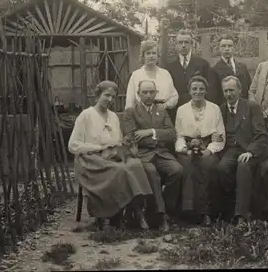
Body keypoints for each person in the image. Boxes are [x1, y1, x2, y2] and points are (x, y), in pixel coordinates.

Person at [68, 81, 152, 229]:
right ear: (97, 95)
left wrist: (123, 144)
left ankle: (131, 211)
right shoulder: (86, 115)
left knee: (135, 165)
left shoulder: (113, 116)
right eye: (106, 95)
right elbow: (73, 145)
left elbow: (117, 140)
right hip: (89, 160)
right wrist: (99, 147)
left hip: (110, 156)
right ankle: (112, 215)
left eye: (113, 97)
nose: (110, 100)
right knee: (119, 171)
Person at [122, 80, 184, 232]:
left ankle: (165, 209)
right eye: (145, 92)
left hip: (161, 153)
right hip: (141, 154)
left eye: (151, 92)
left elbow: (171, 134)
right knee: (151, 172)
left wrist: (150, 132)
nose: (148, 95)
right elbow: (132, 136)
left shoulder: (161, 111)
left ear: (156, 93)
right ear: (138, 94)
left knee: (177, 170)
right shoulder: (131, 112)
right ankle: (161, 216)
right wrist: (157, 135)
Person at [213, 76, 268, 226]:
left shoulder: (251, 106)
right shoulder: (221, 109)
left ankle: (241, 216)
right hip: (231, 150)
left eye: (231, 90)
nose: (229, 94)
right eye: (225, 91)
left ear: (240, 90)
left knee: (243, 167)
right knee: (222, 168)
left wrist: (250, 152)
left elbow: (261, 134)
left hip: (251, 149)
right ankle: (233, 205)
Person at [174, 75, 225, 226]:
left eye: (201, 89)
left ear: (206, 91)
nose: (198, 92)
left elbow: (220, 135)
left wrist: (209, 150)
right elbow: (179, 135)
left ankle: (205, 213)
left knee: (206, 166)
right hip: (188, 148)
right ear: (189, 91)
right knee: (188, 167)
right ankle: (188, 212)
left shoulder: (215, 109)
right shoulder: (181, 110)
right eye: (194, 89)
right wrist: (184, 150)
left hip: (208, 147)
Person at [166, 29, 217, 122]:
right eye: (180, 42)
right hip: (177, 112)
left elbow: (211, 88)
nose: (183, 45)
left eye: (186, 42)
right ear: (176, 45)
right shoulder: (169, 67)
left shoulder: (203, 64)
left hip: (199, 110)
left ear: (192, 44)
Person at [124, 40, 178, 113]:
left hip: (163, 113)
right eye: (148, 53)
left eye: (154, 53)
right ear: (143, 56)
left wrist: (166, 105)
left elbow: (174, 96)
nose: (151, 56)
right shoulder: (136, 75)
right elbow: (130, 101)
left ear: (157, 55)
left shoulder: (165, 74)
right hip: (142, 115)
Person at [211, 34, 252, 105]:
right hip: (225, 108)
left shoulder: (242, 67)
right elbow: (214, 95)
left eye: (230, 46)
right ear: (219, 48)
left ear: (234, 48)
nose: (227, 49)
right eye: (223, 46)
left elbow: (249, 88)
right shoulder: (214, 70)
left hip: (244, 106)